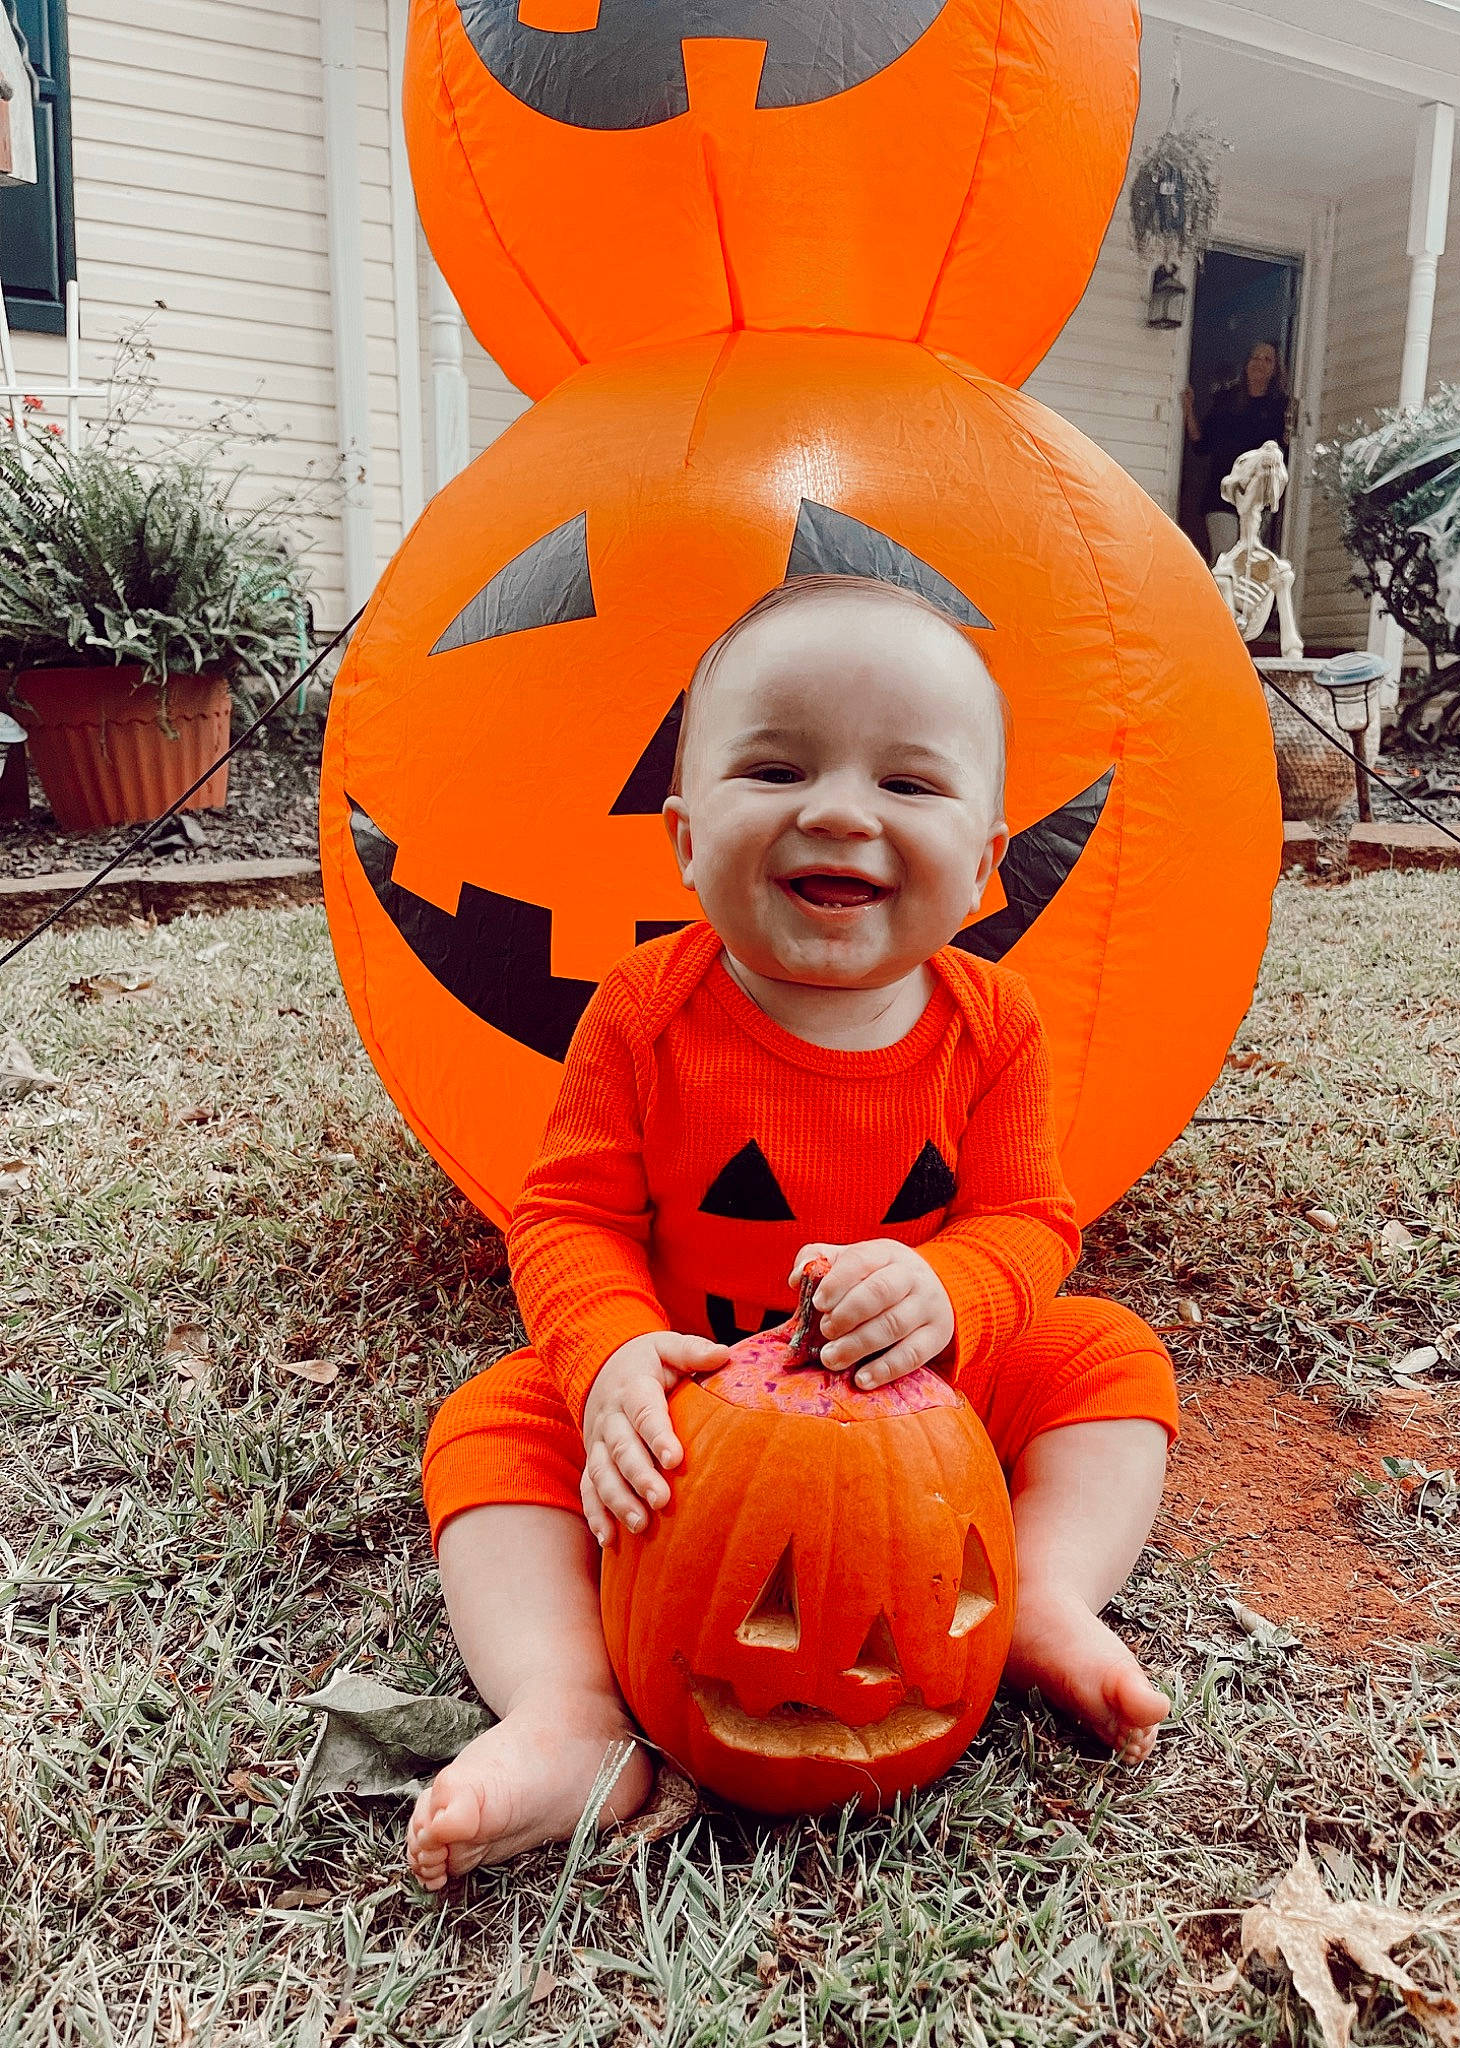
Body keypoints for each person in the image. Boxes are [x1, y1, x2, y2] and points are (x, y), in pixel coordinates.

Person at [405, 575, 1179, 1890]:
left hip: (926, 1406)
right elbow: (571, 1214)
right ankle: (570, 1705)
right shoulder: (642, 1013)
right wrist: (611, 1360)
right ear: (683, 837)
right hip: (690, 1411)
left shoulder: (994, 1027)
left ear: (987, 864)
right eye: (776, 768)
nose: (837, 810)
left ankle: (1040, 1595)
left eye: (908, 783)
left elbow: (1028, 1218)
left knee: (1107, 1359)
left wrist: (947, 1288)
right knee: (491, 1422)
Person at [1183, 339, 1290, 563]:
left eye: (1267, 359)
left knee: (1247, 563)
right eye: (1255, 357)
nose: (1259, 363)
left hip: (1257, 499)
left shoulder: (1280, 407)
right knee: (1226, 558)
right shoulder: (1227, 400)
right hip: (1221, 495)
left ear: (1275, 369)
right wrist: (1188, 410)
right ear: (1246, 363)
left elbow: (1285, 452)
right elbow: (1201, 444)